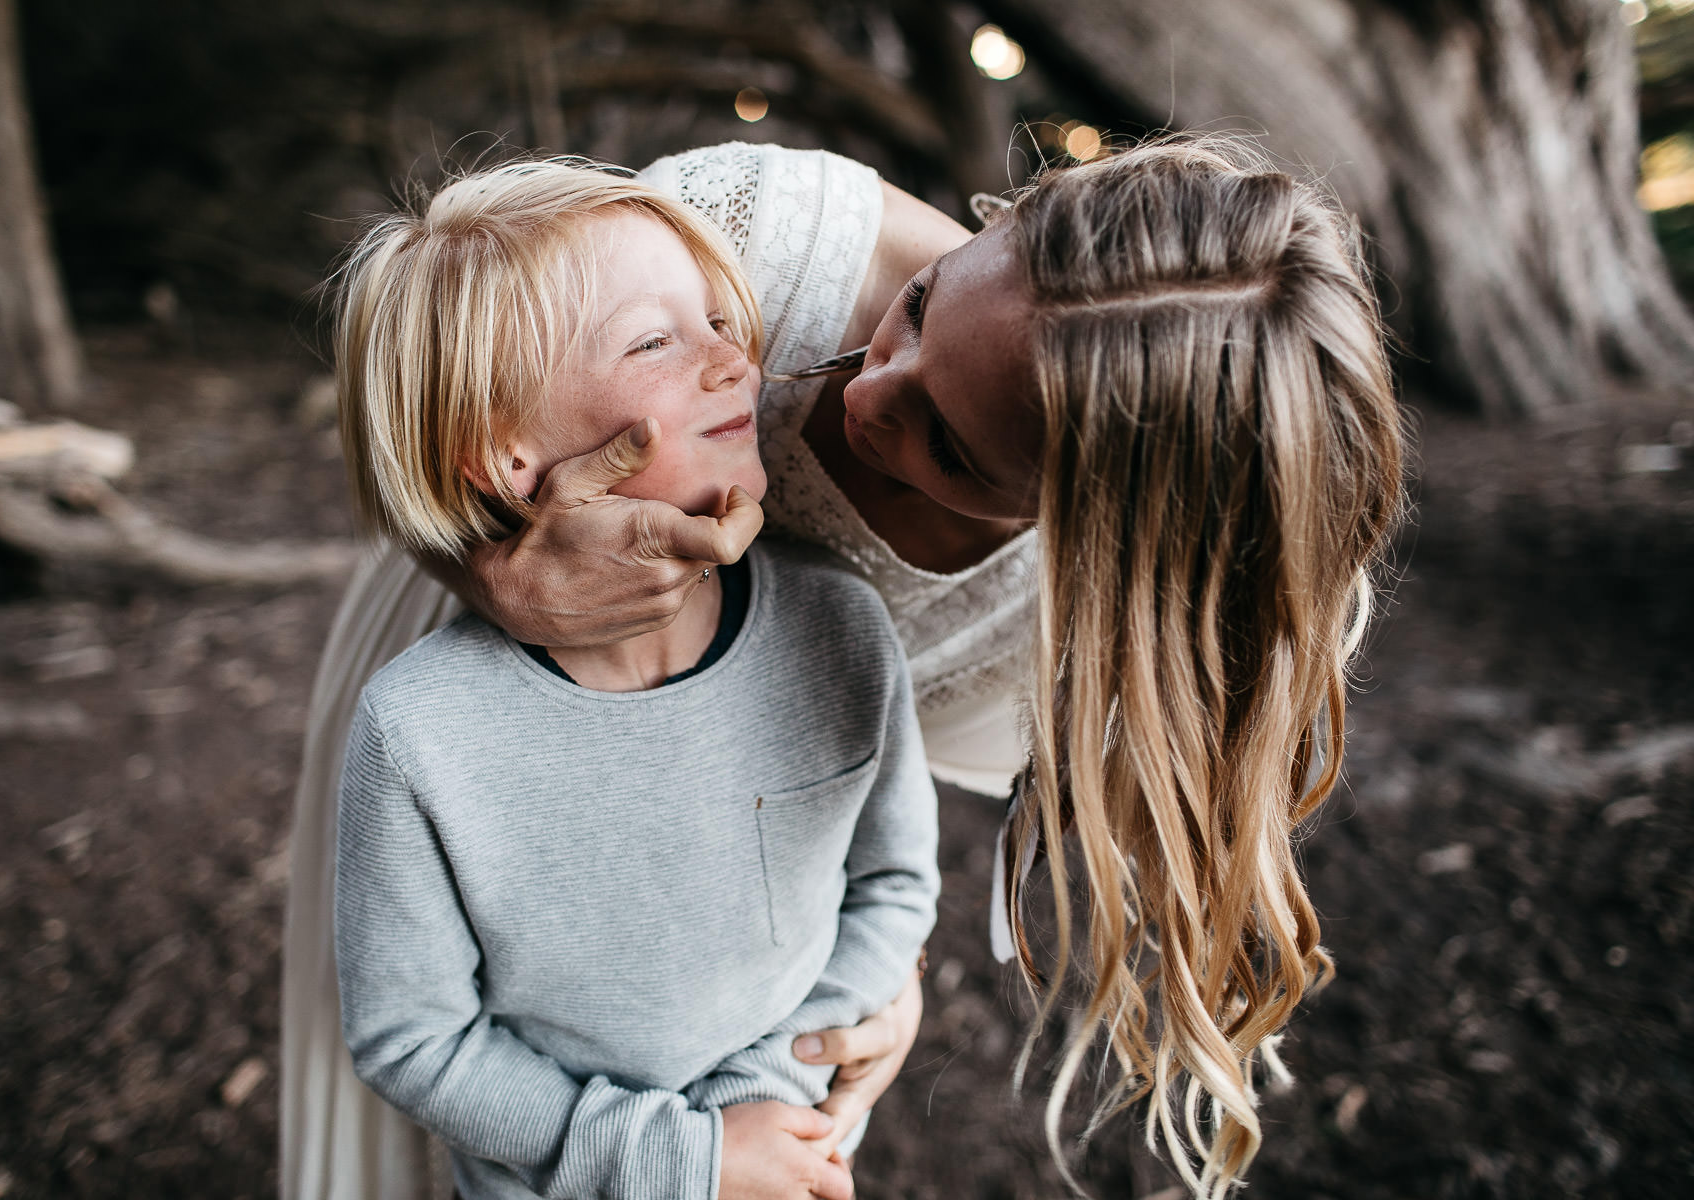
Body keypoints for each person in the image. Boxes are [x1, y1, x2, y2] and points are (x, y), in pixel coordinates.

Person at [283, 136, 1404, 1200]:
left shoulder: (890, 632)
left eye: (950, 447)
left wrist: (866, 996)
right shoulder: (735, 245)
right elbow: (443, 388)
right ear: (993, 226)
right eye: (919, 306)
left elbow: (862, 851)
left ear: (1091, 530)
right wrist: (492, 568)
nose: (860, 393)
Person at [327, 159, 938, 1200]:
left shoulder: (841, 627)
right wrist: (685, 1161)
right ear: (508, 456)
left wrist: (762, 1110)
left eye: (717, 318)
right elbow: (411, 1039)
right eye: (656, 339)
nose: (732, 362)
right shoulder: (419, 733)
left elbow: (893, 886)